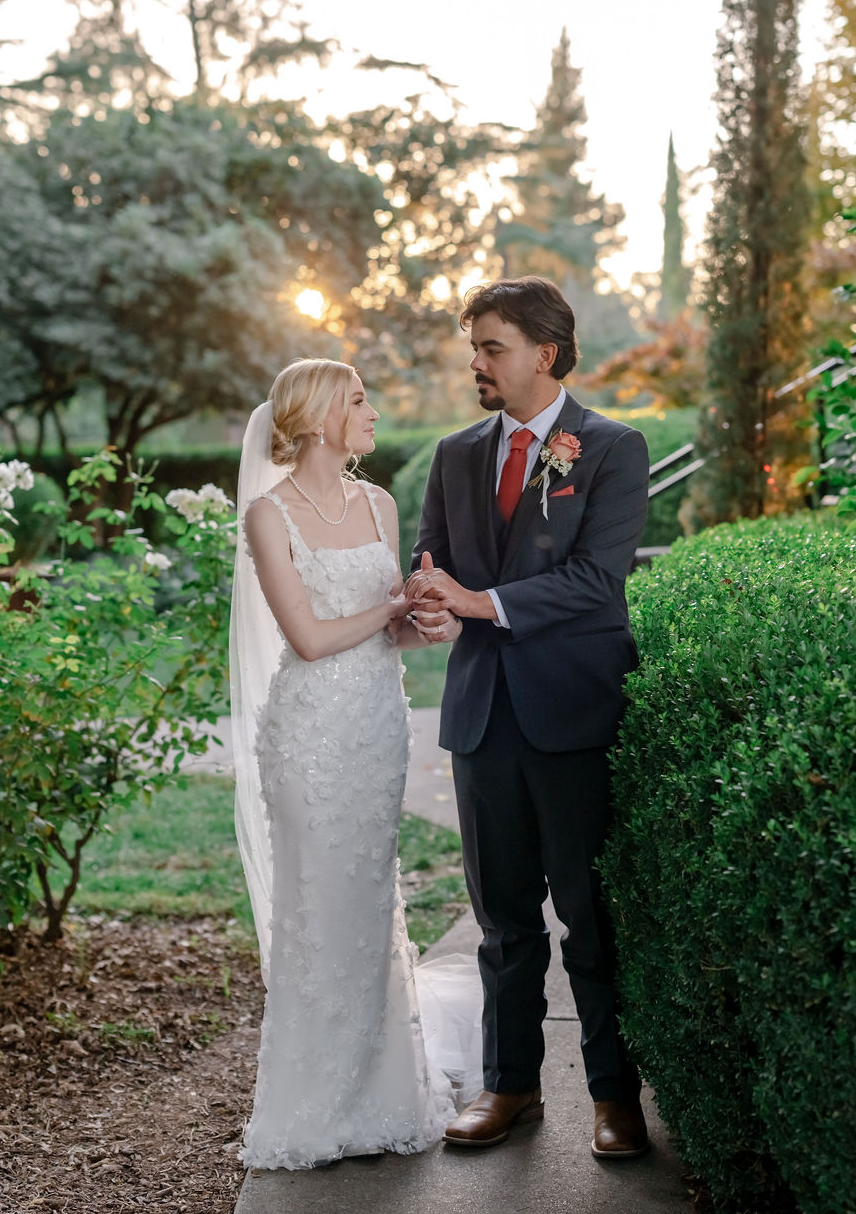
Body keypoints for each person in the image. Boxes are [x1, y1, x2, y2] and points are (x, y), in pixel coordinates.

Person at [405, 276, 651, 1159]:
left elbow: (596, 581)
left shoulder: (613, 448)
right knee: (502, 922)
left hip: (573, 715)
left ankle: (615, 1098)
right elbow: (431, 560)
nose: (476, 362)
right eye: (474, 347)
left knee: (591, 919)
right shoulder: (454, 454)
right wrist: (430, 604)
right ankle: (509, 1087)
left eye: (492, 347)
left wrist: (479, 602)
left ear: (545, 354)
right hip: (481, 717)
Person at [229, 358, 479, 1171]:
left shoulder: (378, 504)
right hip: (309, 739)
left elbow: (386, 632)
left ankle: (383, 1095)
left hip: (376, 731)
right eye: (360, 400)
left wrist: (430, 623)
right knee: (318, 907)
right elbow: (308, 638)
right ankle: (310, 1106)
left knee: (370, 902)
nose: (373, 412)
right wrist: (393, 605)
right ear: (317, 418)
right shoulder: (269, 515)